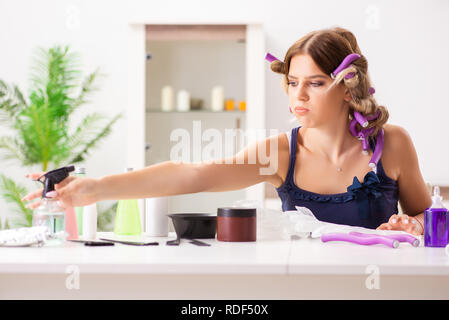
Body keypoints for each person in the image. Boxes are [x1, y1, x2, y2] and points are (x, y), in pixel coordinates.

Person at [22, 27, 431, 236]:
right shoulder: (280, 154)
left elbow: (427, 218)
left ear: (347, 86)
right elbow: (191, 173)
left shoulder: (392, 143)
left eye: (316, 82)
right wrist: (94, 188)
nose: (298, 95)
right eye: (292, 82)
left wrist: (412, 224)